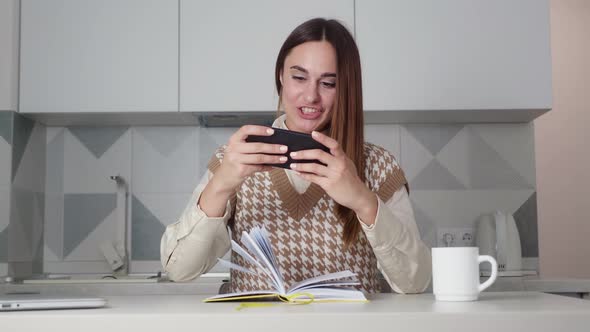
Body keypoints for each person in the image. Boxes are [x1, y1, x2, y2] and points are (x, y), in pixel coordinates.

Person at [160, 18, 431, 294]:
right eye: (299, 77)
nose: (311, 95)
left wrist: (361, 199)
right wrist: (221, 184)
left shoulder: (378, 166)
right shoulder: (234, 158)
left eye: (328, 83)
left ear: (346, 89)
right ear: (281, 76)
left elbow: (416, 282)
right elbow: (179, 270)